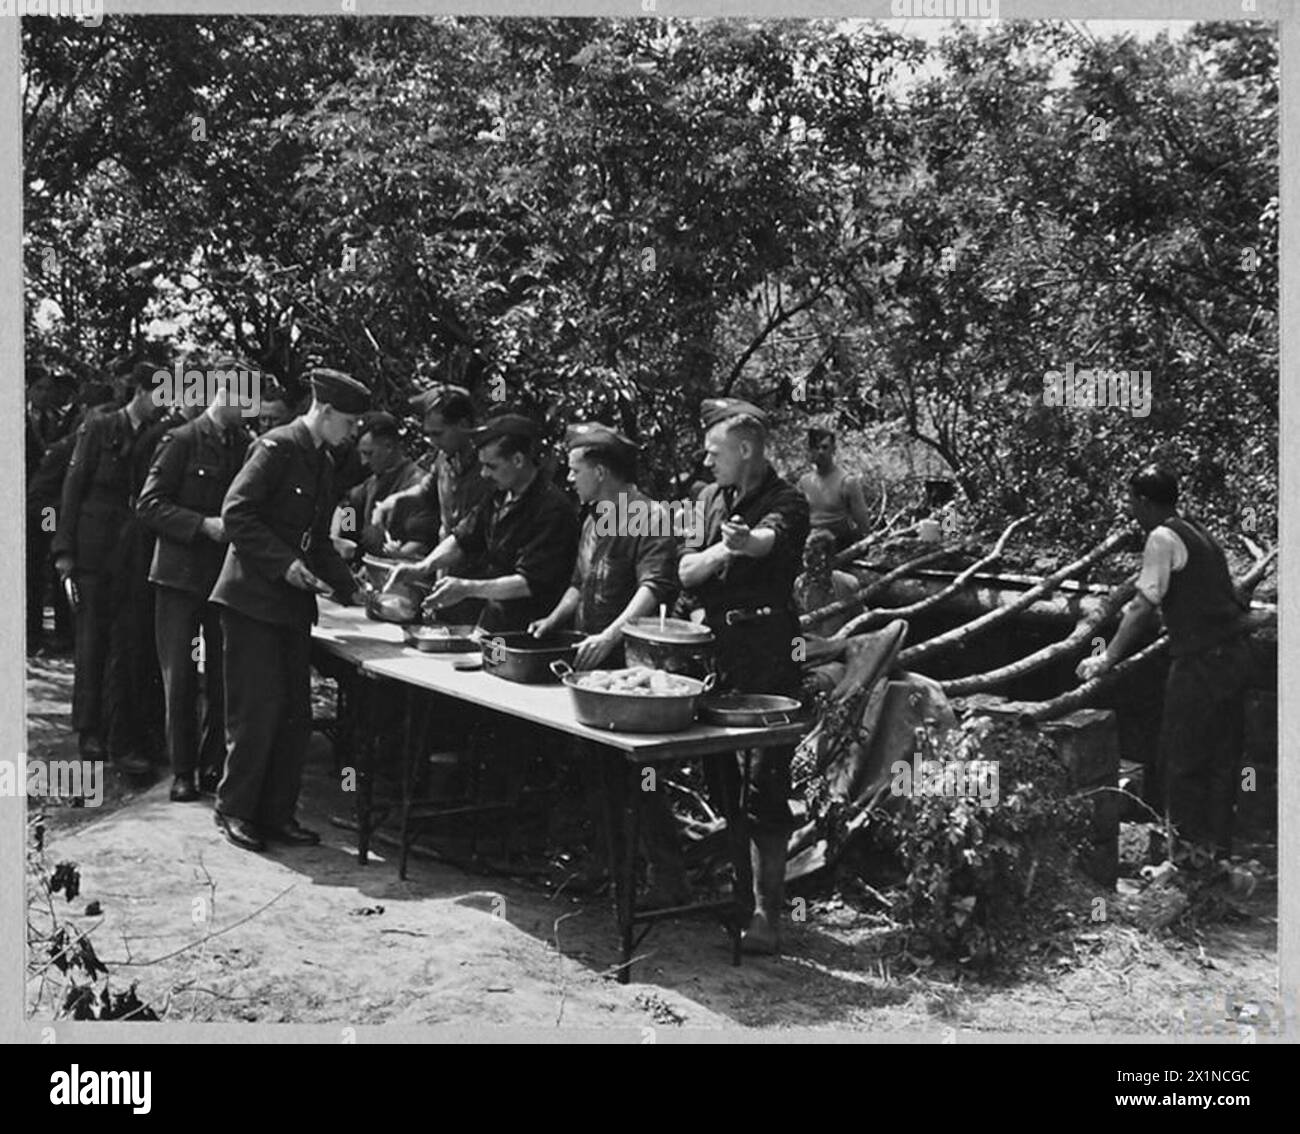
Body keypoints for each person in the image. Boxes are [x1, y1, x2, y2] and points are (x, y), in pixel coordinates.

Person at [209, 368, 371, 852]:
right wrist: (284, 566)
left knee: (294, 716)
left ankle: (277, 814)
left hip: (290, 608)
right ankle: (235, 809)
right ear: (323, 412)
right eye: (348, 422)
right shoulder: (275, 448)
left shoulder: (321, 462)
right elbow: (237, 513)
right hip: (251, 601)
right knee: (256, 711)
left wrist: (353, 589)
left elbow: (316, 540)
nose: (353, 432)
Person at [528, 423, 688, 904]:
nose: (570, 479)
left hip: (634, 670)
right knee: (597, 770)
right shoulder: (596, 516)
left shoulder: (648, 516)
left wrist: (609, 635)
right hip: (593, 664)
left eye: (576, 470)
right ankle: (610, 867)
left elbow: (655, 588)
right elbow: (579, 583)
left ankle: (668, 878)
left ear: (600, 471)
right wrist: (552, 620)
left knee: (641, 775)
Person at [679, 397, 810, 954]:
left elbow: (769, 540)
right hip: (717, 655)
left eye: (715, 453)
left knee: (765, 784)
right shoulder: (706, 498)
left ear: (746, 449)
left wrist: (742, 543)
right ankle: (735, 895)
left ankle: (767, 915)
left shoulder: (789, 501)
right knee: (721, 780)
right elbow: (685, 568)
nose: (708, 462)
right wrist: (719, 551)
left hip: (768, 657)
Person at [1076, 465, 1254, 862]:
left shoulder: (1161, 537)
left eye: (1131, 500)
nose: (1130, 508)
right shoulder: (1201, 534)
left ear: (1143, 501)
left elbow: (1142, 604)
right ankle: (1217, 855)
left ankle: (1185, 860)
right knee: (1222, 759)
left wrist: (1106, 658)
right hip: (1235, 657)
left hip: (1201, 663)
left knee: (1182, 756)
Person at [137, 365, 253, 802]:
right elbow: (149, 505)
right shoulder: (182, 440)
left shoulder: (246, 446)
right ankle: (182, 771)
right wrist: (200, 525)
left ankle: (211, 766)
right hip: (179, 579)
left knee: (224, 677)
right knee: (181, 679)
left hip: (225, 582)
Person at [53, 362, 167, 772]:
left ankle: (116, 726)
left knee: (124, 642)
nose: (163, 403)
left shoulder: (154, 435)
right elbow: (73, 486)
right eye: (159, 394)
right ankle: (89, 728)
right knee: (91, 639)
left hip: (130, 556)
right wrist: (64, 551)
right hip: (92, 552)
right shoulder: (99, 428)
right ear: (139, 391)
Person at [391, 414, 578, 633]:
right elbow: (464, 537)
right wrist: (423, 567)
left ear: (518, 460)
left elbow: (529, 583)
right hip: (492, 622)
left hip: (529, 634)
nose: (484, 473)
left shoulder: (552, 509)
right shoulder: (498, 496)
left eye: (491, 466)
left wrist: (467, 588)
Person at [331, 412, 424, 559]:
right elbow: (349, 506)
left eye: (368, 454)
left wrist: (401, 552)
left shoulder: (416, 483)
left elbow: (422, 540)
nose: (363, 462)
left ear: (388, 446)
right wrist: (342, 537)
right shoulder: (372, 483)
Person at [797, 427, 873, 552]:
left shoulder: (847, 482)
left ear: (833, 450)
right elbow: (798, 520)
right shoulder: (804, 482)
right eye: (816, 447)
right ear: (810, 451)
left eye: (825, 447)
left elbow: (863, 524)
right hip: (810, 542)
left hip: (839, 543)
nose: (821, 452)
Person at [794, 528, 862, 638]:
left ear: (830, 557)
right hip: (807, 648)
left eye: (818, 552)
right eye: (808, 551)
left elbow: (859, 623)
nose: (809, 557)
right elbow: (794, 633)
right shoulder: (797, 587)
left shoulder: (848, 583)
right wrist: (798, 654)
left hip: (838, 645)